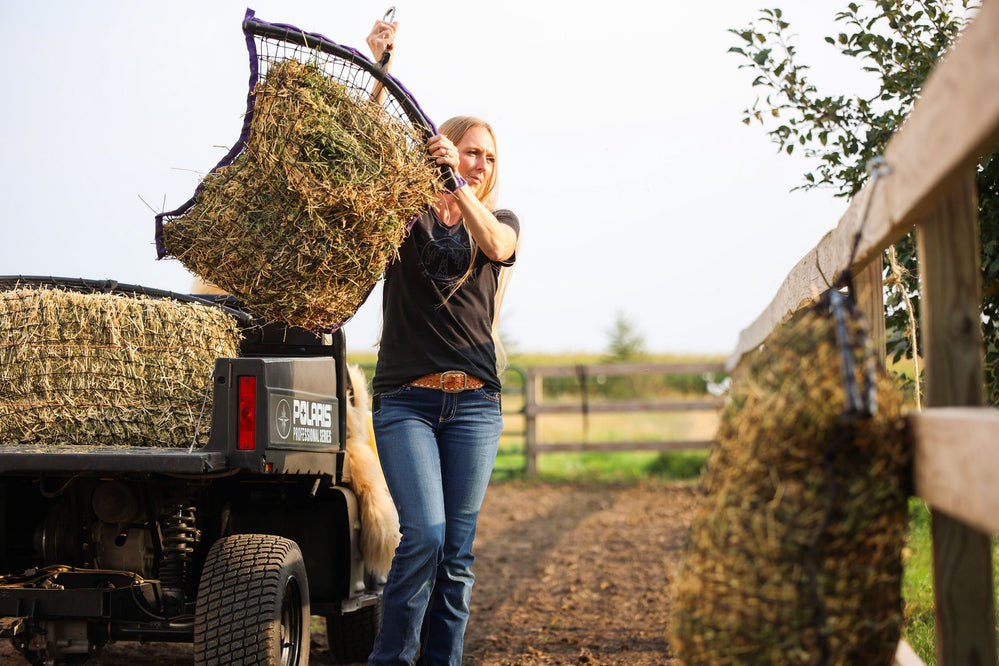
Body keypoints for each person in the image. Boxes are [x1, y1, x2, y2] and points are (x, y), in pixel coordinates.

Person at [364, 16, 520, 666]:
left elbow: (495, 245)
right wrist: (380, 70)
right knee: (423, 536)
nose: (480, 162)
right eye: (469, 150)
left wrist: (459, 184)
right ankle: (390, 660)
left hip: (475, 405)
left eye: (489, 156)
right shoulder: (403, 212)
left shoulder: (502, 221)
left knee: (457, 555)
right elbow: (361, 160)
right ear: (446, 148)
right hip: (407, 402)